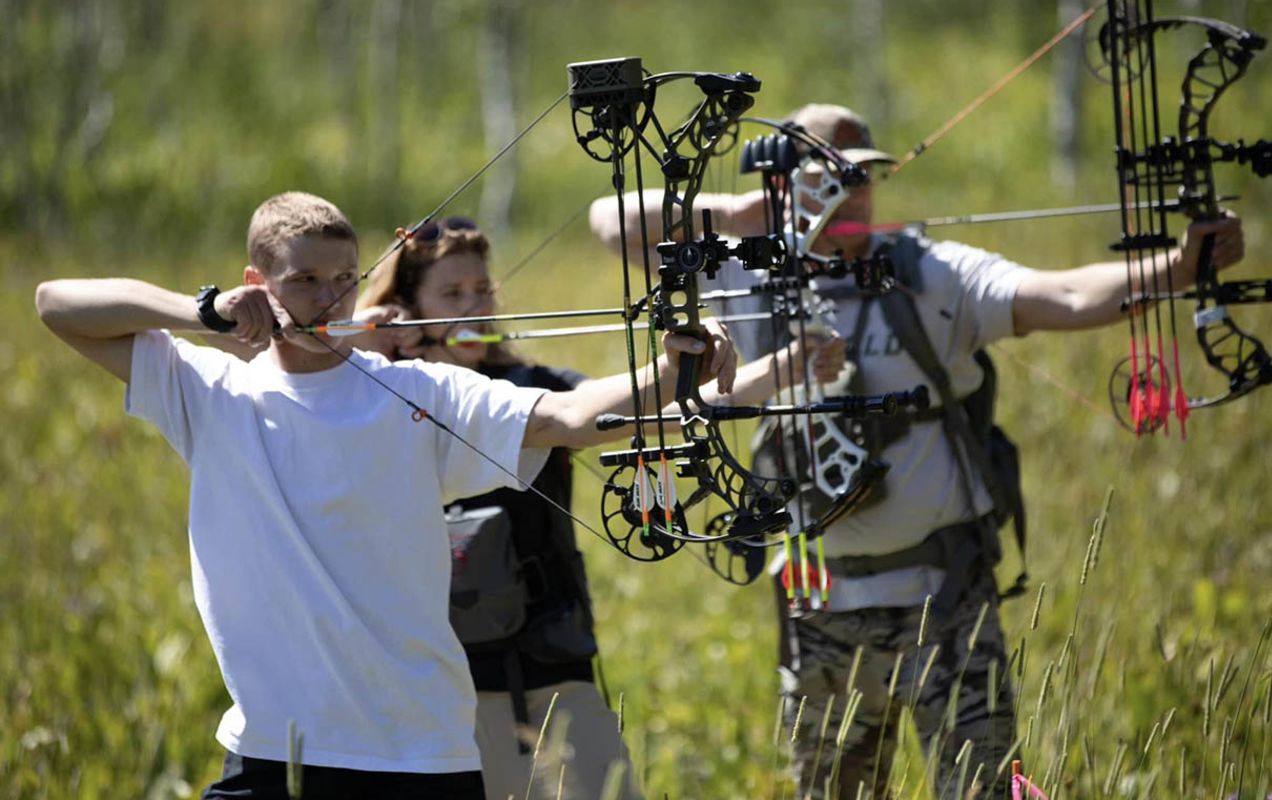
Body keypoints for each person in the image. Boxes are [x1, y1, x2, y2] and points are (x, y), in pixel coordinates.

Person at [590, 104, 1244, 799]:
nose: (854, 193)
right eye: (830, 177)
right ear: (785, 183)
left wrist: (1175, 268)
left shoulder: (928, 273)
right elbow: (611, 220)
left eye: (863, 177)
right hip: (821, 609)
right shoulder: (745, 272)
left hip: (947, 601)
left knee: (981, 791)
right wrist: (744, 212)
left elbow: (1067, 294)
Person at [33, 191, 743, 800]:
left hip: (420, 757)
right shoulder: (209, 392)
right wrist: (206, 313)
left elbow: (571, 418)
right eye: (304, 280)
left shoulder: (416, 392)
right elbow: (56, 305)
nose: (329, 299)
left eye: (344, 279)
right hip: (272, 753)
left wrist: (673, 365)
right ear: (258, 282)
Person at [351, 217, 846, 800]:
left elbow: (658, 409)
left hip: (552, 664)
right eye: (451, 295)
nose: (474, 307)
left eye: (482, 290)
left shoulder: (534, 390)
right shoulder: (374, 394)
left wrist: (782, 369)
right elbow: (270, 361)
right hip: (437, 686)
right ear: (409, 309)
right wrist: (362, 343)